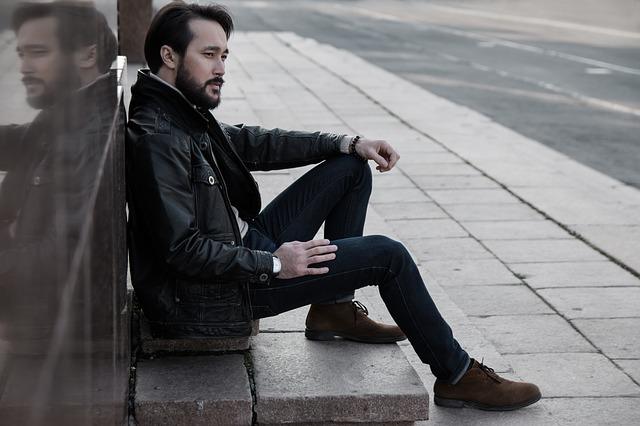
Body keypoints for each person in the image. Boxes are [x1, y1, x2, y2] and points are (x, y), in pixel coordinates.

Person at [126, 1, 542, 411]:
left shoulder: (179, 110)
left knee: (350, 167)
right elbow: (181, 250)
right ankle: (456, 375)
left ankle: (334, 309)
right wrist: (273, 264)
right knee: (388, 256)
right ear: (169, 55)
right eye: (209, 54)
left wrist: (346, 142)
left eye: (224, 55)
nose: (221, 68)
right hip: (221, 292)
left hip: (242, 246)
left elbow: (253, 141)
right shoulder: (159, 138)